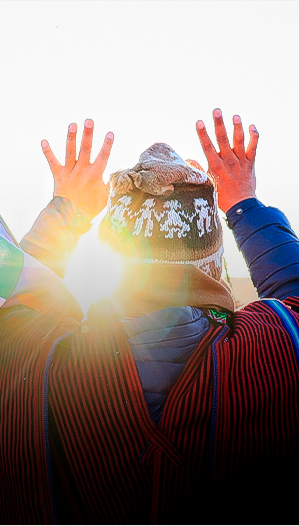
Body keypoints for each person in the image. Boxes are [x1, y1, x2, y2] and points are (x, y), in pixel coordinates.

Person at [0, 110, 298, 525]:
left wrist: (66, 212)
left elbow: (14, 292)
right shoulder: (276, 351)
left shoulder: (31, 360)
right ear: (212, 262)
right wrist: (243, 204)